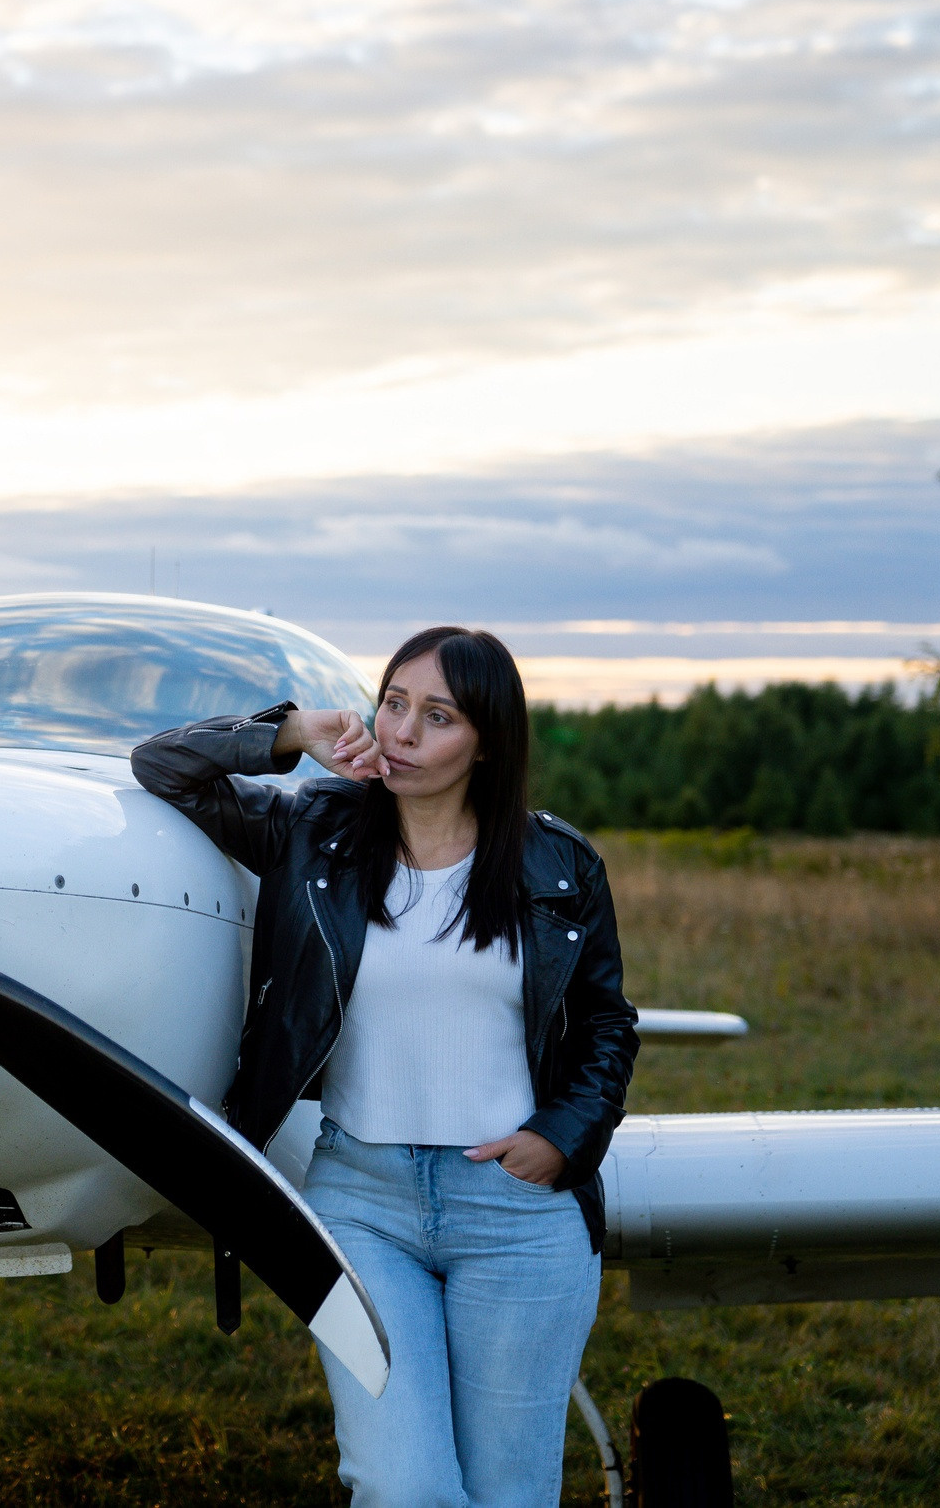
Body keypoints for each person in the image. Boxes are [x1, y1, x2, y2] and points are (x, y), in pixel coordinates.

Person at [131, 626, 637, 1508]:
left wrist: (561, 1137)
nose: (400, 731)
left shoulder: (559, 864)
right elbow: (161, 767)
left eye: (436, 716)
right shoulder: (312, 829)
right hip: (362, 1203)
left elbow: (605, 1025)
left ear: (488, 740)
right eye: (392, 701)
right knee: (403, 1485)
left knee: (510, 1493)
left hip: (518, 1214)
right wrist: (292, 732)